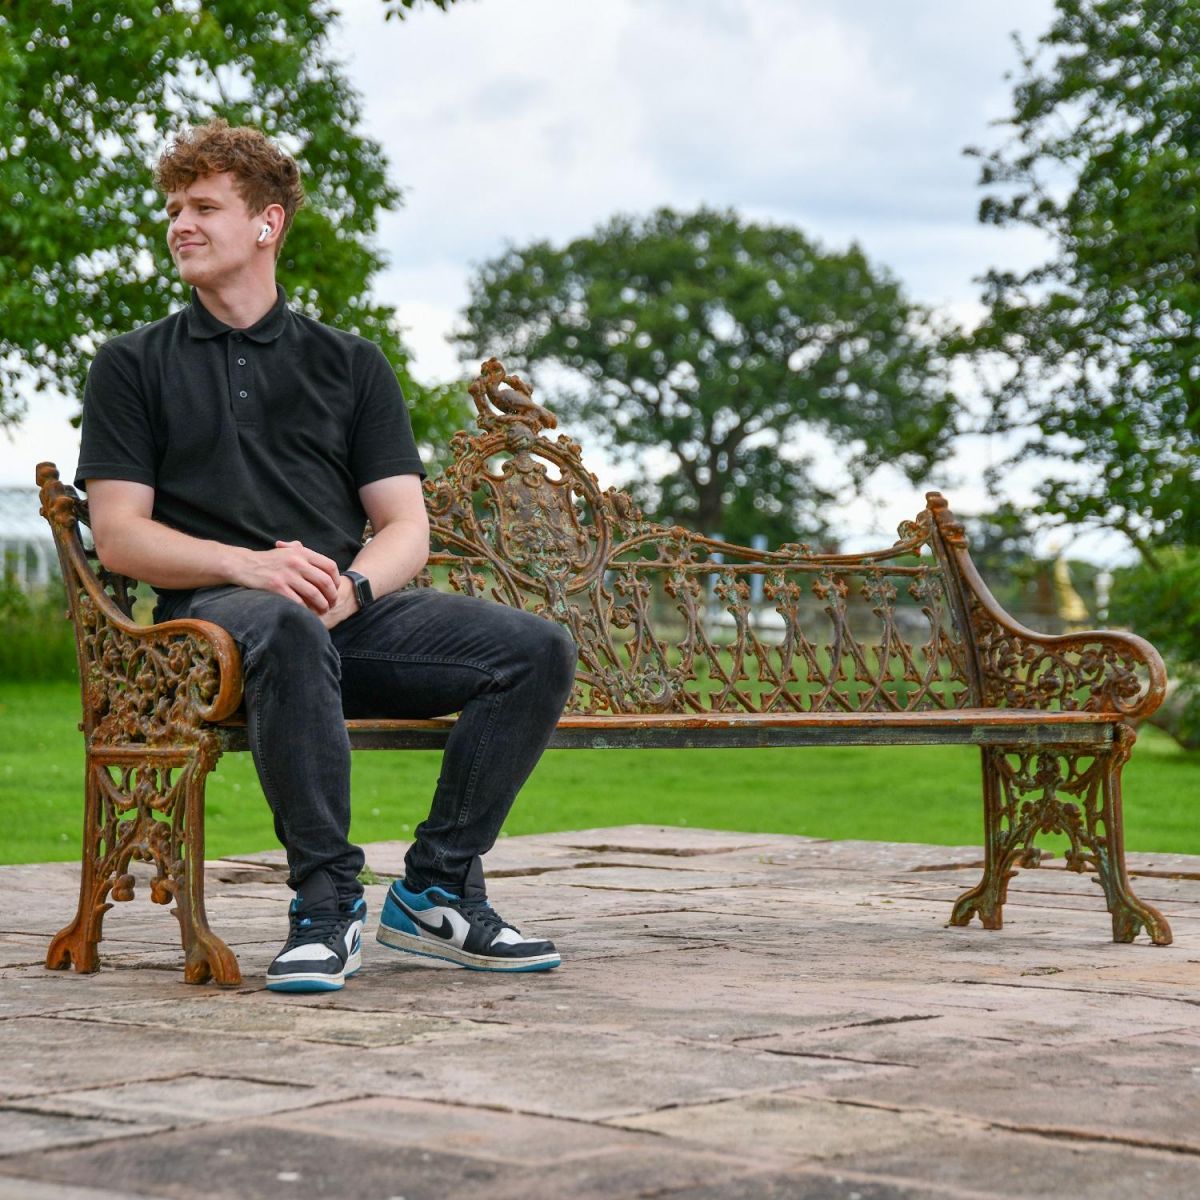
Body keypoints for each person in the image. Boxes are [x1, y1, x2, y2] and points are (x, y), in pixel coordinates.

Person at [75, 120, 577, 993]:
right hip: (207, 629)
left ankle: (435, 888)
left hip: (344, 613)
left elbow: (405, 528)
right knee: (282, 622)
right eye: (172, 209)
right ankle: (326, 903)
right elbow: (120, 535)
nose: (178, 224)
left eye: (202, 207)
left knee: (534, 651)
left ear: (267, 224)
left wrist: (350, 587)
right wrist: (250, 566)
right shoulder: (132, 366)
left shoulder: (351, 364)